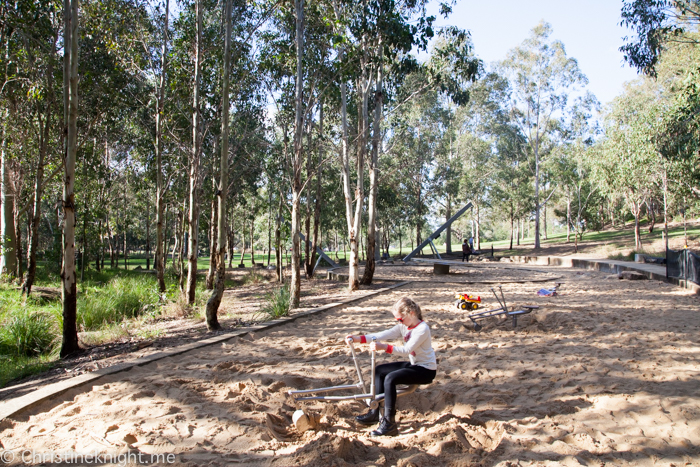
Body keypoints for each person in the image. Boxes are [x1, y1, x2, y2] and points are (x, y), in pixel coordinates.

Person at [345, 297, 437, 437]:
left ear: (411, 313)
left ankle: (389, 424)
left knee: (390, 378)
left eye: (400, 319)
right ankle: (375, 412)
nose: (399, 322)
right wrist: (359, 339)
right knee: (380, 370)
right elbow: (382, 335)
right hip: (415, 364)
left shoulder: (422, 329)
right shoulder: (404, 326)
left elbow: (406, 350)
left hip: (426, 369)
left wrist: (384, 347)